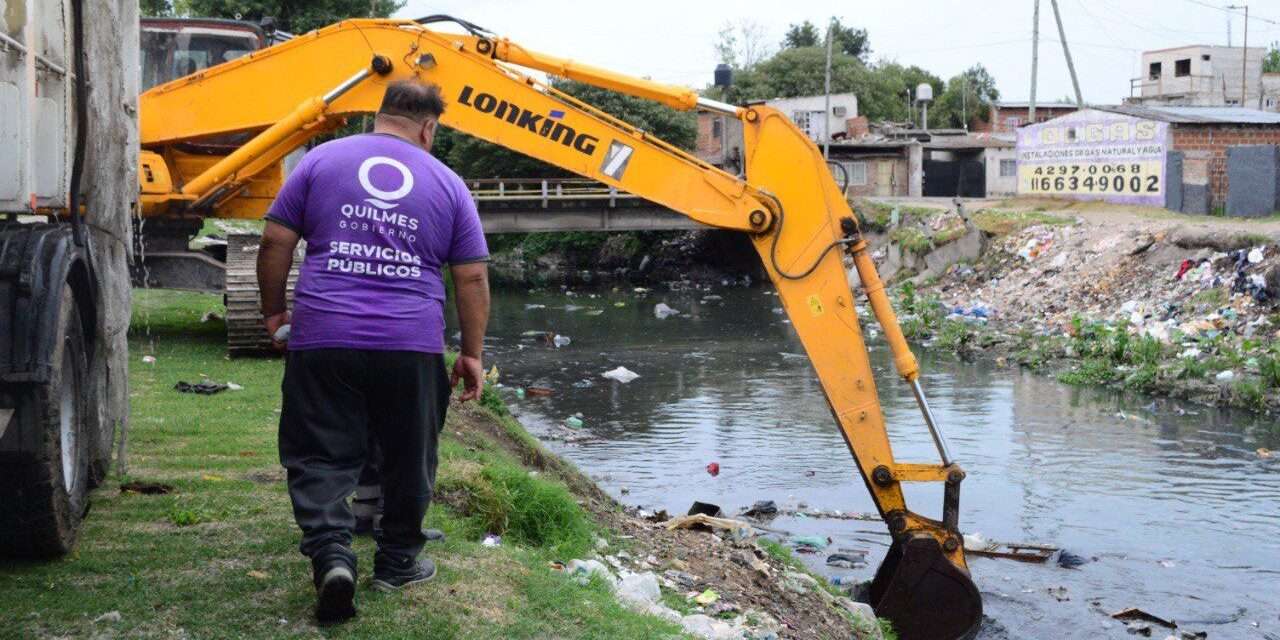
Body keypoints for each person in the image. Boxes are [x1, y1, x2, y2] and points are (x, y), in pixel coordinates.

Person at [256, 79, 490, 623]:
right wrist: (471, 353)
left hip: (324, 336)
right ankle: (399, 560)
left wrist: (274, 313)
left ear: (378, 115)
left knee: (319, 450)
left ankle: (333, 553)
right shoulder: (449, 183)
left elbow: (274, 242)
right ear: (429, 127)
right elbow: (472, 277)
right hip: (410, 343)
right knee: (410, 451)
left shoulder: (319, 163)